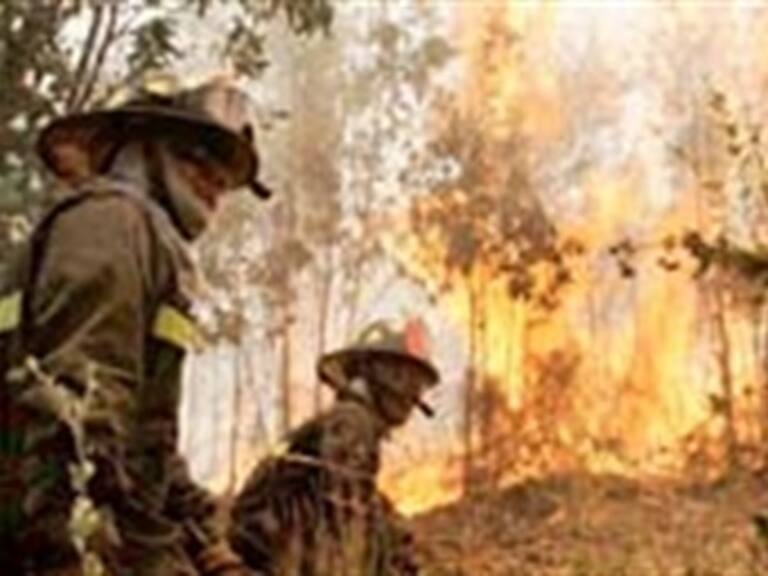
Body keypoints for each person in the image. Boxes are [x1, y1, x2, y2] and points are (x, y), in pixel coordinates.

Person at [0, 76, 271, 575]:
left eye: (223, 176)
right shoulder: (111, 223)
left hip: (119, 530)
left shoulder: (144, 239)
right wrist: (70, 556)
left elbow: (150, 448)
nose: (214, 182)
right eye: (196, 157)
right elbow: (74, 422)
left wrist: (213, 549)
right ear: (141, 149)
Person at [228, 319, 440, 576]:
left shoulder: (345, 426)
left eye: (417, 382)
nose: (411, 392)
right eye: (401, 376)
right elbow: (347, 533)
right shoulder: (352, 423)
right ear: (370, 370)